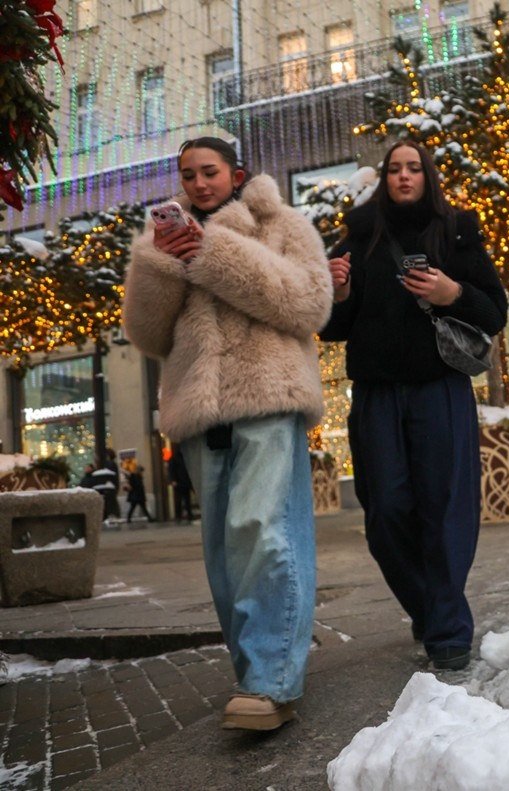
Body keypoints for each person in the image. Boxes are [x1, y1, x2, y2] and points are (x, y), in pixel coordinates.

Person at [122, 137, 332, 731]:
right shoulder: (160, 240)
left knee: (262, 530)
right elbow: (147, 334)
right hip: (198, 412)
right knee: (222, 554)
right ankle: (256, 678)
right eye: (187, 174)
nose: (198, 183)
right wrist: (164, 263)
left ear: (236, 173)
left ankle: (271, 680)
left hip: (268, 395)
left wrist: (213, 254)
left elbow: (310, 305)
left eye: (209, 172)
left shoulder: (283, 223)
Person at [320, 140, 507, 672]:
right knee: (386, 513)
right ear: (384, 178)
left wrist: (453, 293)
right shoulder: (359, 235)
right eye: (395, 169)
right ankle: (428, 607)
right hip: (377, 394)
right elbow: (334, 329)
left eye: (414, 168)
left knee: (447, 507)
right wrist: (336, 294)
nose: (404, 176)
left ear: (428, 176)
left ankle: (448, 629)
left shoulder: (457, 230)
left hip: (440, 388)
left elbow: (494, 312)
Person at [167, 450, 195, 522]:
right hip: (179, 482)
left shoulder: (183, 458)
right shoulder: (175, 458)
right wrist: (173, 480)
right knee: (180, 499)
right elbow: (171, 470)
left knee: (186, 499)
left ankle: (188, 514)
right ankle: (179, 515)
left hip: (183, 481)